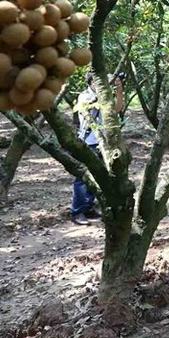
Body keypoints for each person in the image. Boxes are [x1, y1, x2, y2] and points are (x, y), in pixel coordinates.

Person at [70, 72, 123, 225]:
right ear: (91, 82)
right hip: (89, 142)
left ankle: (88, 208)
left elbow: (117, 109)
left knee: (99, 176)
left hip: (103, 142)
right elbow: (92, 106)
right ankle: (77, 211)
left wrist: (119, 91)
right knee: (83, 178)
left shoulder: (105, 96)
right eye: (100, 81)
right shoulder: (84, 96)